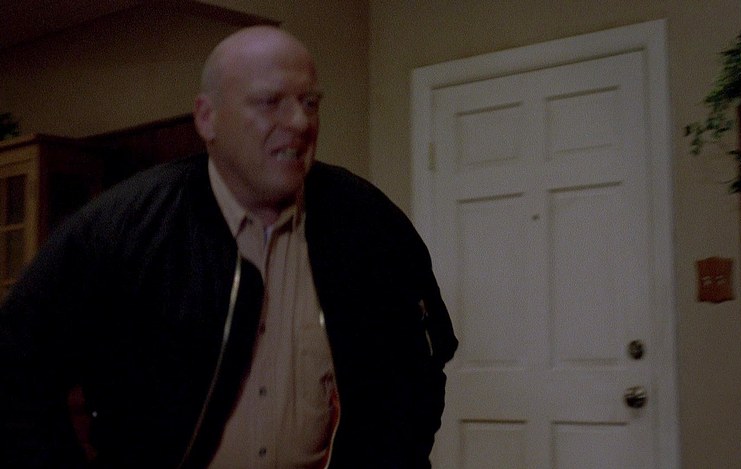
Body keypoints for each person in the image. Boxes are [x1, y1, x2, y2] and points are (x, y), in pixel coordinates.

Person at [0, 26, 457, 469]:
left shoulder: (369, 224)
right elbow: (16, 370)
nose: (299, 122)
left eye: (309, 103)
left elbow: (419, 373)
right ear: (207, 118)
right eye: (270, 102)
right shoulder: (123, 229)